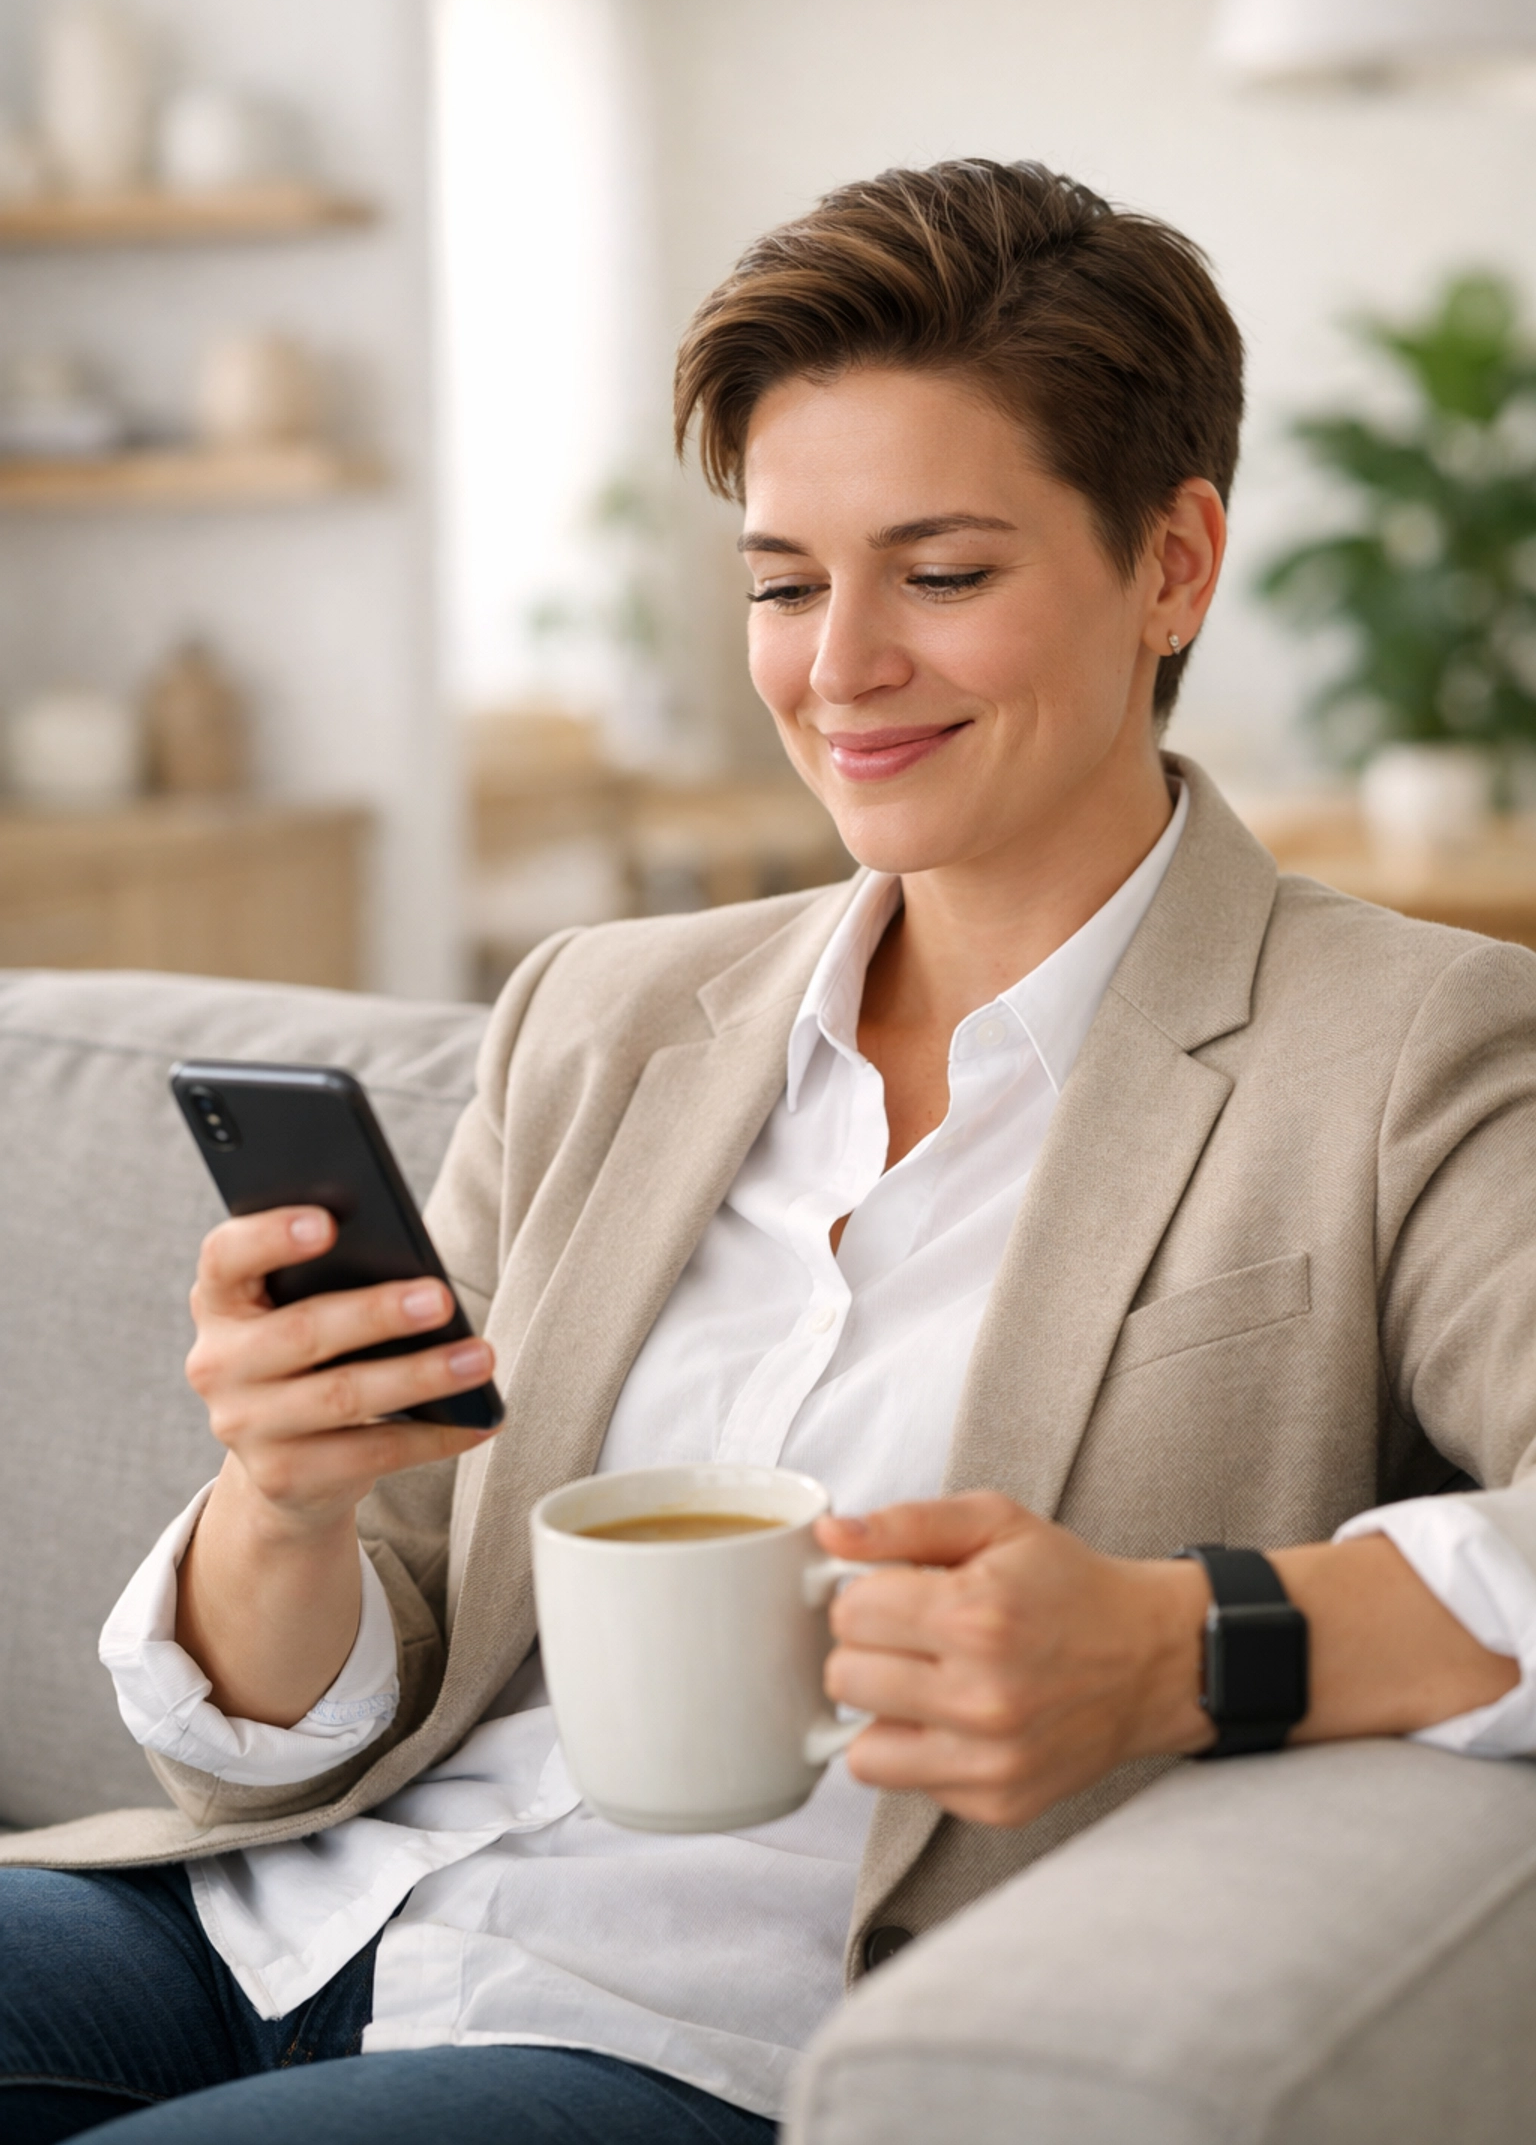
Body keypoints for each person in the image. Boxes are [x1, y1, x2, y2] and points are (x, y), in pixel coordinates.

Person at [5, 159, 1536, 2145]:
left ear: (1172, 564)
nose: (840, 668)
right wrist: (281, 1502)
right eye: (788, 581)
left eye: (946, 573)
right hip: (259, 1926)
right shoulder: (605, 1014)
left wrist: (1188, 1646)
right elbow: (339, 1682)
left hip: (697, 2032)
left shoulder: (1408, 1047)